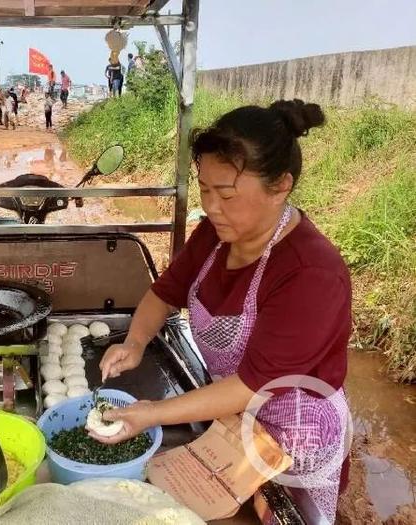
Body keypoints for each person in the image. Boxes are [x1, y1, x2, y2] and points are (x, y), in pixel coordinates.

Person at [96, 100, 351, 524]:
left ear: (280, 186)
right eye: (205, 189)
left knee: (278, 515)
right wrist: (135, 341)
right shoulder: (213, 236)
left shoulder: (311, 273)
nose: (212, 206)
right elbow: (164, 293)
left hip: (295, 431)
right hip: (234, 413)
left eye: (227, 193)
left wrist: (151, 413)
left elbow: (255, 385)